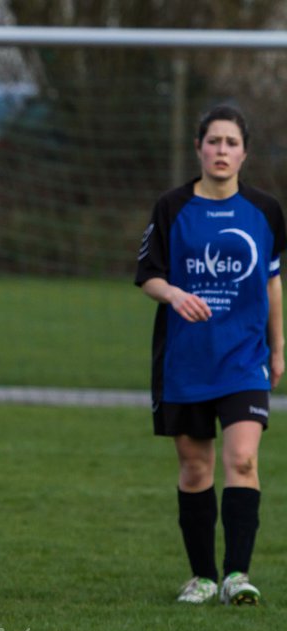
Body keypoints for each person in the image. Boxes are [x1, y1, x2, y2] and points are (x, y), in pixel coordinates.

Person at [135, 104, 285, 605]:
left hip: (244, 358)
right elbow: (148, 275)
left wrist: (278, 347)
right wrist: (174, 295)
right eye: (214, 141)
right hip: (186, 360)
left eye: (231, 143)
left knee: (242, 460)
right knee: (196, 468)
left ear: (245, 153)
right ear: (198, 148)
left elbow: (272, 280)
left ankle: (236, 576)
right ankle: (201, 577)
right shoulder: (172, 207)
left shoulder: (265, 211)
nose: (222, 151)